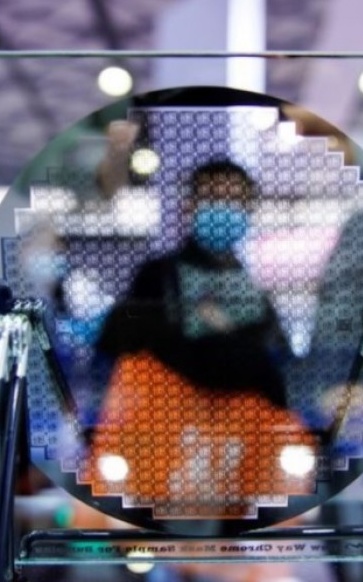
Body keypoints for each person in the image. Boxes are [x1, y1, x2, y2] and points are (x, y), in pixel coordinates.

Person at [91, 159, 317, 527]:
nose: (223, 209)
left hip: (240, 458)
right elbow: (117, 343)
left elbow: (281, 367)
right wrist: (231, 349)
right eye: (213, 197)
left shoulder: (254, 290)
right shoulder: (156, 276)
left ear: (249, 209)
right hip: (159, 451)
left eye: (235, 200)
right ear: (189, 206)